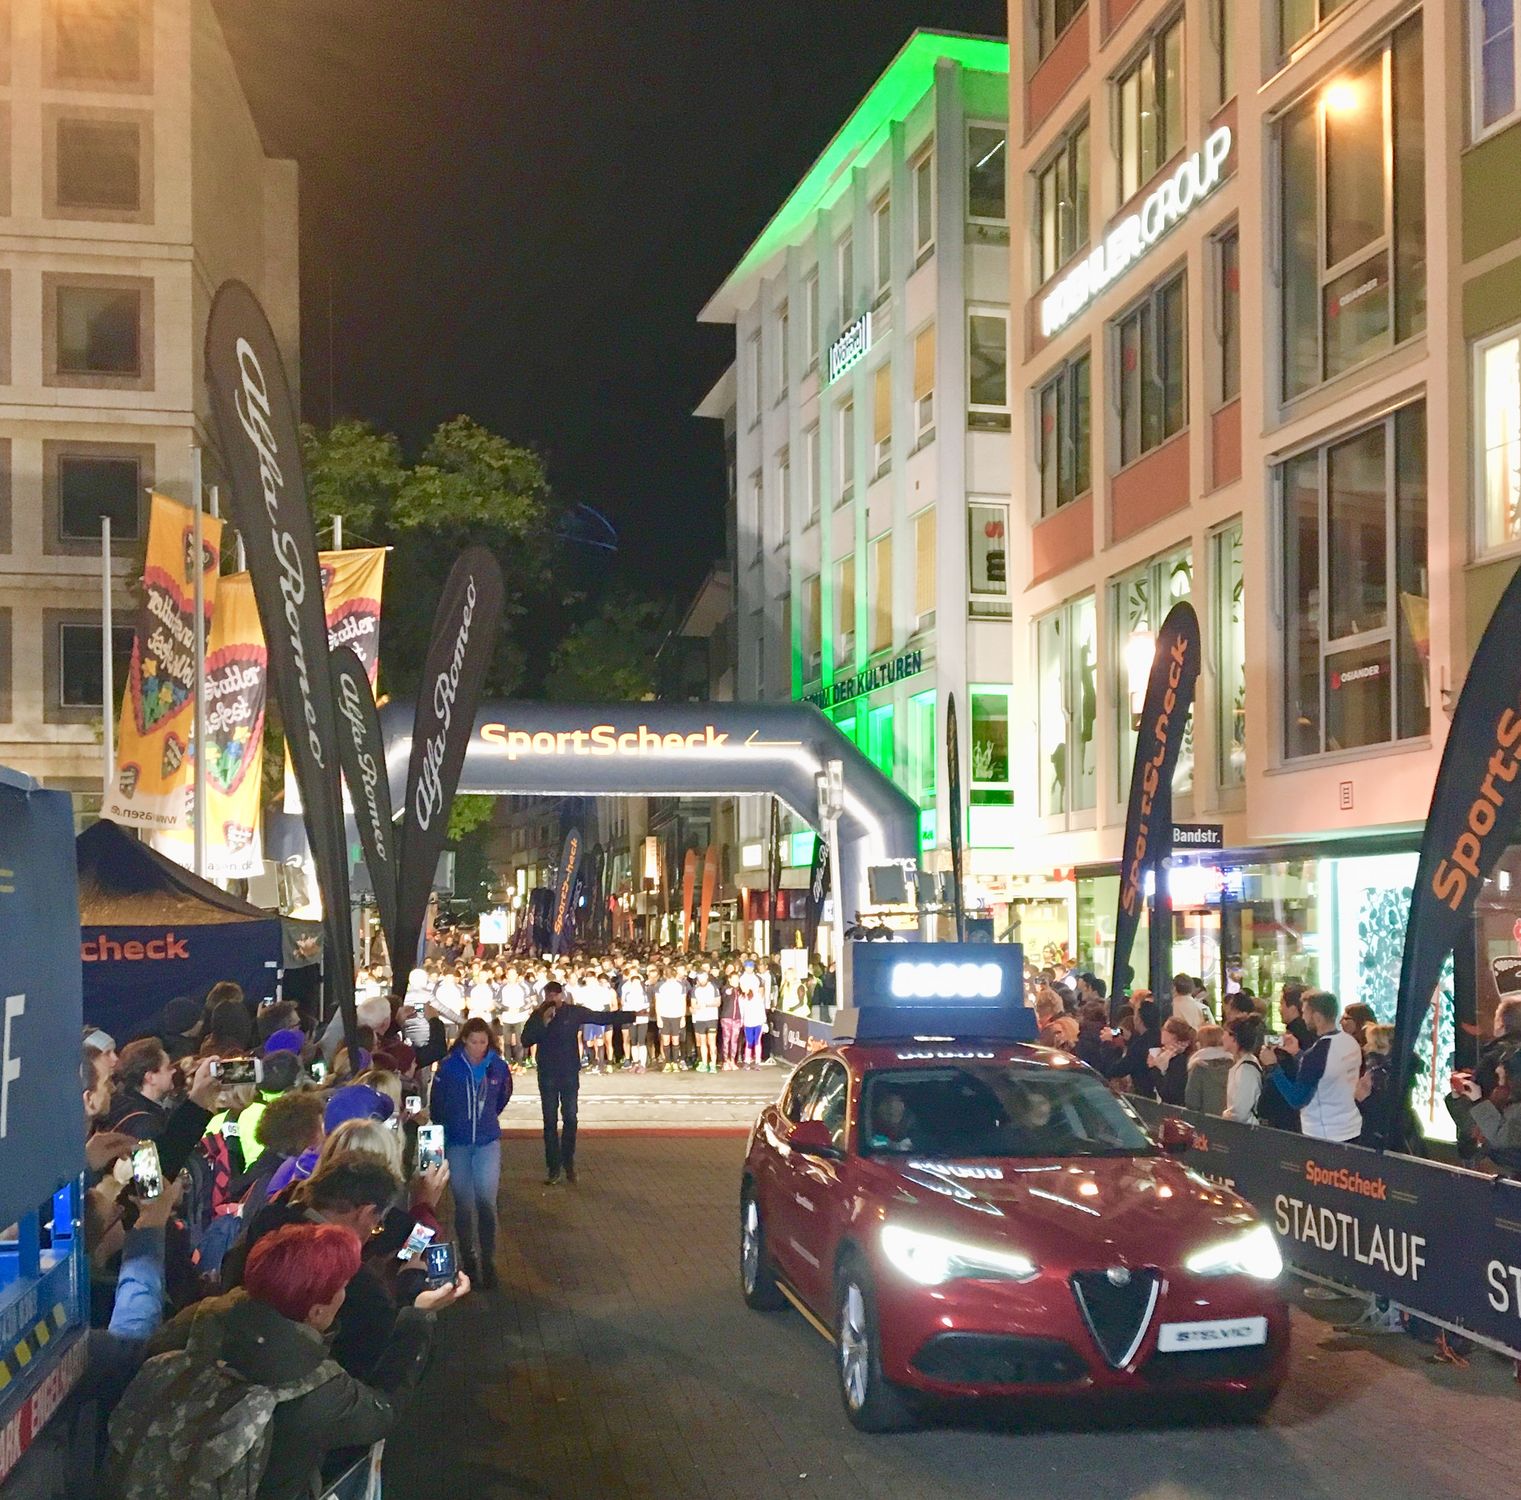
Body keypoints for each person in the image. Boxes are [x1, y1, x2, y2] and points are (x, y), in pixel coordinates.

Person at [109, 1223, 424, 1500]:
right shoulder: (318, 1386)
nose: (344, 1295)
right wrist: (416, 1317)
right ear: (316, 1311)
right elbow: (384, 1411)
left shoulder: (196, 1320)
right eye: (342, 1288)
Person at [521, 980, 633, 1185]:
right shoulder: (538, 1015)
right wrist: (543, 1022)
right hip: (547, 1074)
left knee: (570, 1118)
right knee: (549, 1122)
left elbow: (600, 1017)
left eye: (556, 995)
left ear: (562, 995)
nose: (552, 999)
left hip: (569, 1073)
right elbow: (526, 1040)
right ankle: (553, 1168)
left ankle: (568, 1162)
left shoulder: (573, 1012)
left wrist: (631, 1015)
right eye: (549, 995)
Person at [429, 1018, 511, 1287]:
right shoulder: (450, 1067)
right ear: (464, 1040)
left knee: (487, 1202)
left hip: (487, 1142)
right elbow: (438, 1103)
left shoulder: (497, 1066)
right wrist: (448, 1127)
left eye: (483, 1042)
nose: (478, 1047)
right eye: (473, 1042)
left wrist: (487, 1118)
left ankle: (488, 1259)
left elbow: (503, 1096)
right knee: (463, 1204)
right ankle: (469, 1258)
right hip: (458, 1142)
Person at [1260, 989, 1362, 1142]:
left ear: (1317, 1017)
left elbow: (1297, 1099)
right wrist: (1297, 1053)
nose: (1303, 1017)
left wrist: (1272, 1067)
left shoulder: (1317, 1053)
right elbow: (1325, 1072)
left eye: (1304, 1012)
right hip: (1350, 1126)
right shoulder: (1350, 1042)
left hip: (1323, 1134)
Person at [104, 1039, 180, 1139]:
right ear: (150, 1078)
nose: (174, 1070)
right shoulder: (147, 1124)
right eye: (168, 1068)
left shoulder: (121, 1105)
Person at [1222, 1015, 1265, 1123]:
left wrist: (1226, 1115)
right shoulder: (1244, 1064)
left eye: (1224, 1033)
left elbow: (1240, 1113)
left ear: (1234, 1038)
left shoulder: (1246, 1070)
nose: (1222, 1037)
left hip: (1245, 1129)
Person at [1184, 1024, 1231, 1114]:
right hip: (1229, 1119)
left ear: (1200, 1043)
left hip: (1205, 1119)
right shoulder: (1234, 1065)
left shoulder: (1199, 1067)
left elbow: (1192, 1102)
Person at [1150, 1018, 1196, 1105]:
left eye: (1164, 1029)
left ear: (1173, 1035)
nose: (1161, 1031)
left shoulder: (1179, 1059)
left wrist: (1155, 1068)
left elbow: (1169, 1093)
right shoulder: (1166, 1055)